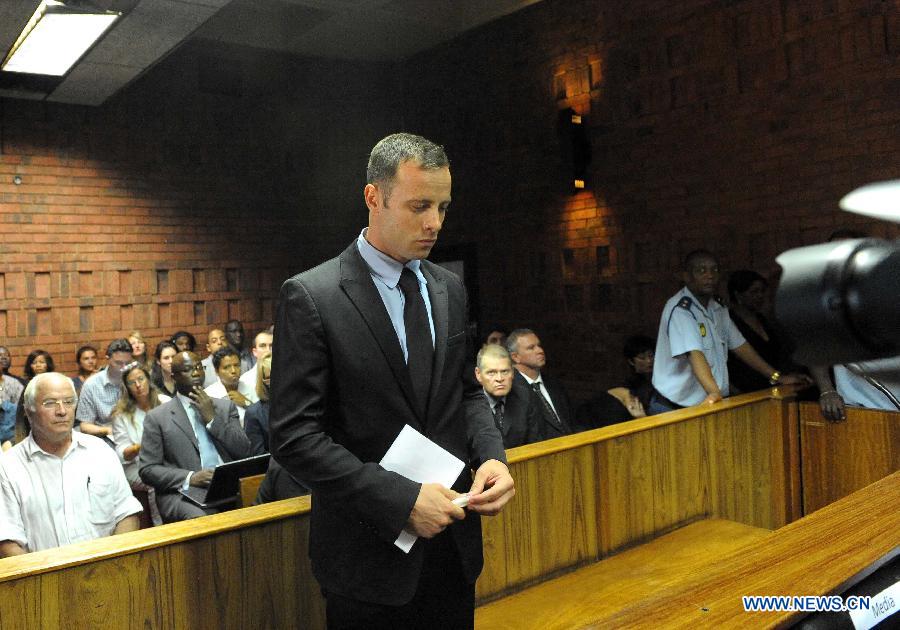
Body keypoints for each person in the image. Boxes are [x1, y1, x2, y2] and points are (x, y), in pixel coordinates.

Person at [269, 132, 514, 628]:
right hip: (367, 556)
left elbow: (465, 392)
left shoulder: (448, 287)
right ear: (373, 197)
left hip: (452, 544)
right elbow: (294, 436)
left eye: (443, 207)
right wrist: (399, 501)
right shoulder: (312, 296)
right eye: (419, 205)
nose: (434, 224)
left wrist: (492, 455)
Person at [0, 373, 141, 556]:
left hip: (108, 573)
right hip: (46, 579)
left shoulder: (100, 451)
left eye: (68, 401)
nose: (62, 411)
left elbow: (126, 514)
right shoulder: (8, 466)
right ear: (28, 411)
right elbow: (8, 541)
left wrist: (114, 565)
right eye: (50, 403)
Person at [650, 250, 806, 413]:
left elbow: (740, 345)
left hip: (706, 403)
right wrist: (714, 392)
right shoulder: (681, 310)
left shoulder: (718, 306)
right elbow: (695, 354)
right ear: (687, 276)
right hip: (673, 407)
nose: (710, 275)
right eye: (701, 270)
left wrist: (776, 376)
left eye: (714, 270)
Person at [139, 351, 250, 523]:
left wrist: (213, 419)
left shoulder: (224, 407)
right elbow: (148, 469)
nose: (196, 373)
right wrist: (191, 477)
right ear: (174, 376)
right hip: (183, 492)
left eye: (199, 367)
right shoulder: (158, 417)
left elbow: (244, 451)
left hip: (227, 486)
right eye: (188, 369)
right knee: (205, 518)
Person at [111, 362, 169, 527]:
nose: (138, 385)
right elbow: (122, 454)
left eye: (141, 379)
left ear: (148, 380)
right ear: (127, 387)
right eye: (132, 382)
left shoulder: (165, 402)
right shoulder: (121, 414)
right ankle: (161, 526)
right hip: (136, 466)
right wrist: (141, 445)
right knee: (155, 480)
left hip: (166, 459)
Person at [726, 270, 794, 393]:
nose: (760, 296)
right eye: (754, 292)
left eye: (762, 291)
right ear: (738, 295)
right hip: (744, 392)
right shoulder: (729, 321)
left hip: (771, 388)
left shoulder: (763, 320)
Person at [507, 328, 574, 440]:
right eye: (531, 348)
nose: (539, 350)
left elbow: (571, 421)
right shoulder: (510, 389)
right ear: (515, 357)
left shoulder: (554, 384)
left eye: (539, 345)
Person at [470, 344, 540, 449]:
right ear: (478, 374)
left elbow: (536, 444)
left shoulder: (525, 397)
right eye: (491, 372)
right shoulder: (467, 406)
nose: (499, 378)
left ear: (512, 372)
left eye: (504, 371)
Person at [76, 339, 133, 441]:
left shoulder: (135, 379)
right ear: (108, 359)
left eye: (127, 363)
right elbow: (85, 425)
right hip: (106, 437)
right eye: (119, 363)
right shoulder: (91, 385)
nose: (124, 368)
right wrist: (108, 430)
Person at [204, 347, 253, 426]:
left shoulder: (251, 388)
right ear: (217, 371)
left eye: (236, 365)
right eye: (227, 367)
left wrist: (246, 403)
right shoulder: (209, 395)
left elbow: (262, 417)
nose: (233, 371)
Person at [244, 352, 272, 455]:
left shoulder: (299, 402)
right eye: (269, 377)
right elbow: (258, 455)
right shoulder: (254, 413)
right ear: (263, 381)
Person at [237, 329, 273, 403]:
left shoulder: (288, 376)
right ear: (255, 352)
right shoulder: (245, 381)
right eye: (263, 346)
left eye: (272, 345)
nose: (268, 350)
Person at [622, 335, 656, 412]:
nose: (649, 361)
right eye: (642, 358)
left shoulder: (661, 377)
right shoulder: (630, 386)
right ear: (631, 361)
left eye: (651, 356)